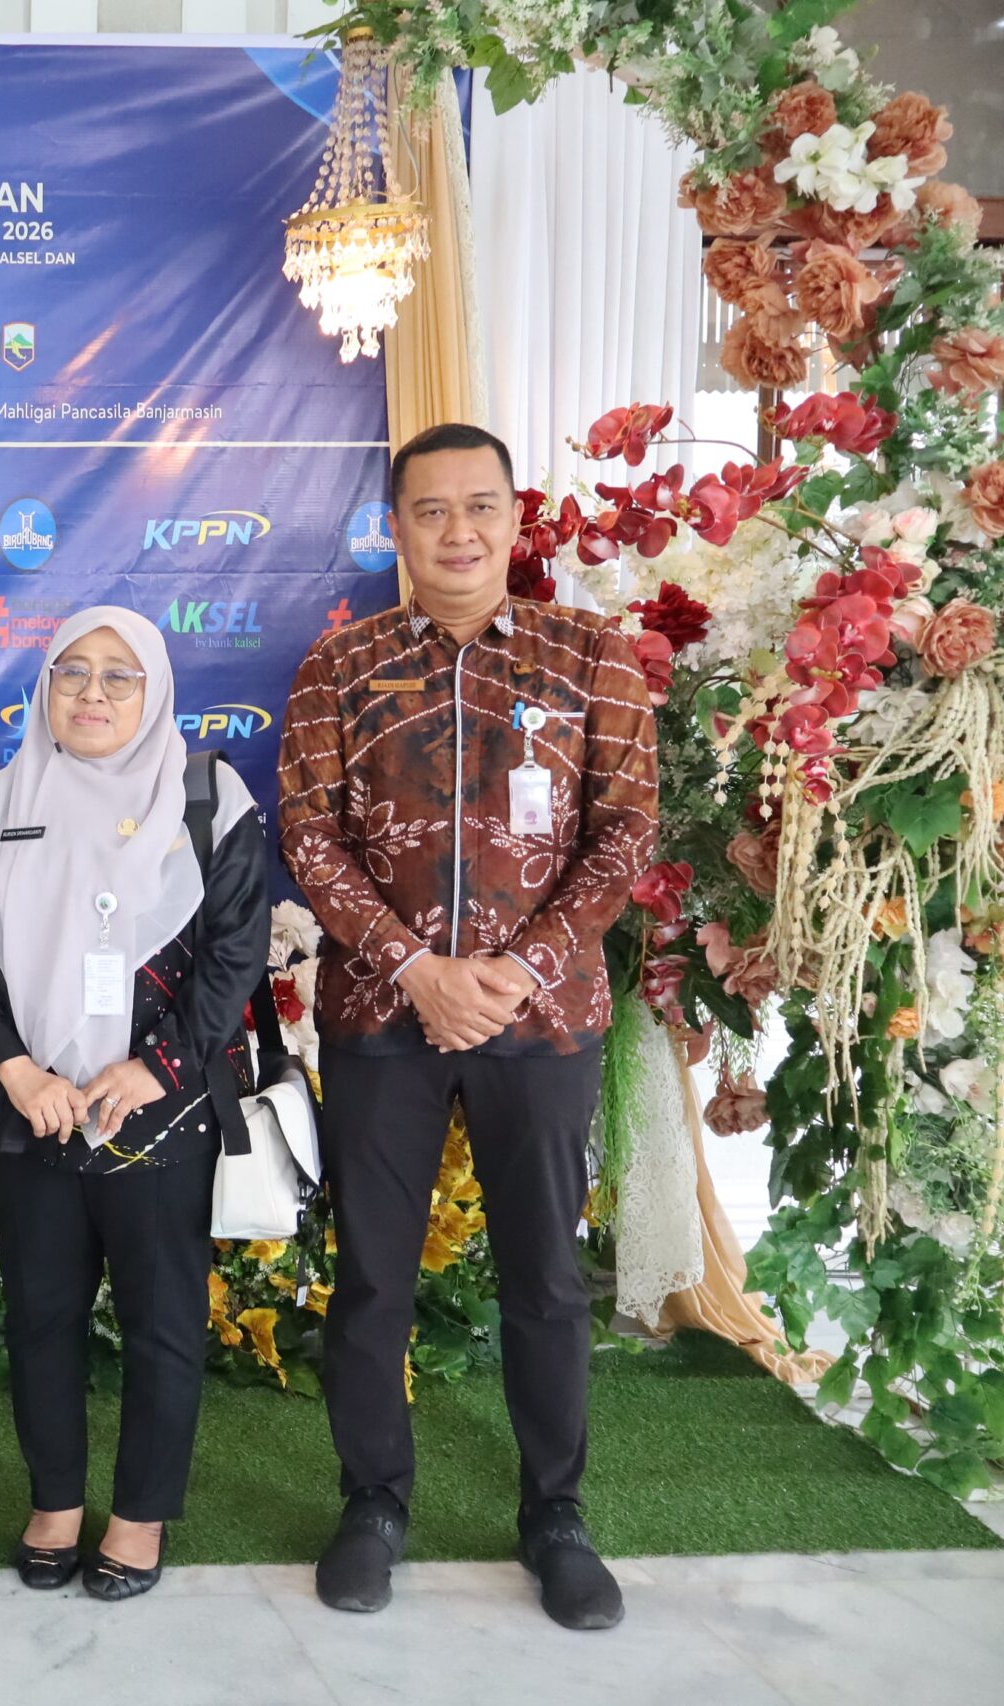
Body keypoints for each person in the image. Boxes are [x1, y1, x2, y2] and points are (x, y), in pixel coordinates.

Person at [275, 422, 658, 1631]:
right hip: (380, 1016)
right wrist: (414, 967)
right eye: (429, 510)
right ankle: (371, 1501)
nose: (457, 531)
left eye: (479, 505)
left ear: (513, 518)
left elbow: (625, 832)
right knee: (371, 1276)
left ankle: (556, 1514)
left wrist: (515, 967)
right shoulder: (339, 666)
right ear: (393, 527)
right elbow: (307, 833)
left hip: (541, 1021)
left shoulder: (590, 657)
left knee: (545, 1277)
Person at [0, 608, 268, 1601]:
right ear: (44, 687)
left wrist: (156, 1065)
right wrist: (15, 1069)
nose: (91, 692)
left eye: (119, 675)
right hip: (33, 1109)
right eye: (71, 671)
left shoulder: (208, 799)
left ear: (154, 691)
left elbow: (235, 951)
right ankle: (55, 1502)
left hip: (158, 1112)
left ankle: (139, 1514)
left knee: (163, 1320)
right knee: (42, 1314)